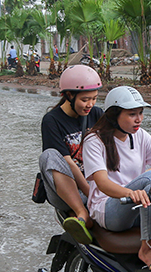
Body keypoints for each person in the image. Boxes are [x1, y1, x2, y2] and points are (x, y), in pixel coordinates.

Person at [82, 86, 151, 271]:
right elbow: (102, 183)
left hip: (138, 207)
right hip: (109, 209)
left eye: (141, 113)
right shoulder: (94, 140)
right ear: (113, 115)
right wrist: (131, 193)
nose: (139, 119)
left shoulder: (140, 136)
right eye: (132, 114)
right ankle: (148, 247)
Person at [39, 65, 104, 244]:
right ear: (68, 95)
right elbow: (67, 162)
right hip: (68, 189)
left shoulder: (97, 114)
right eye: (85, 100)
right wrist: (90, 193)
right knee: (49, 155)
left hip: (95, 185)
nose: (90, 104)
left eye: (94, 99)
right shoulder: (51, 120)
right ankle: (82, 213)